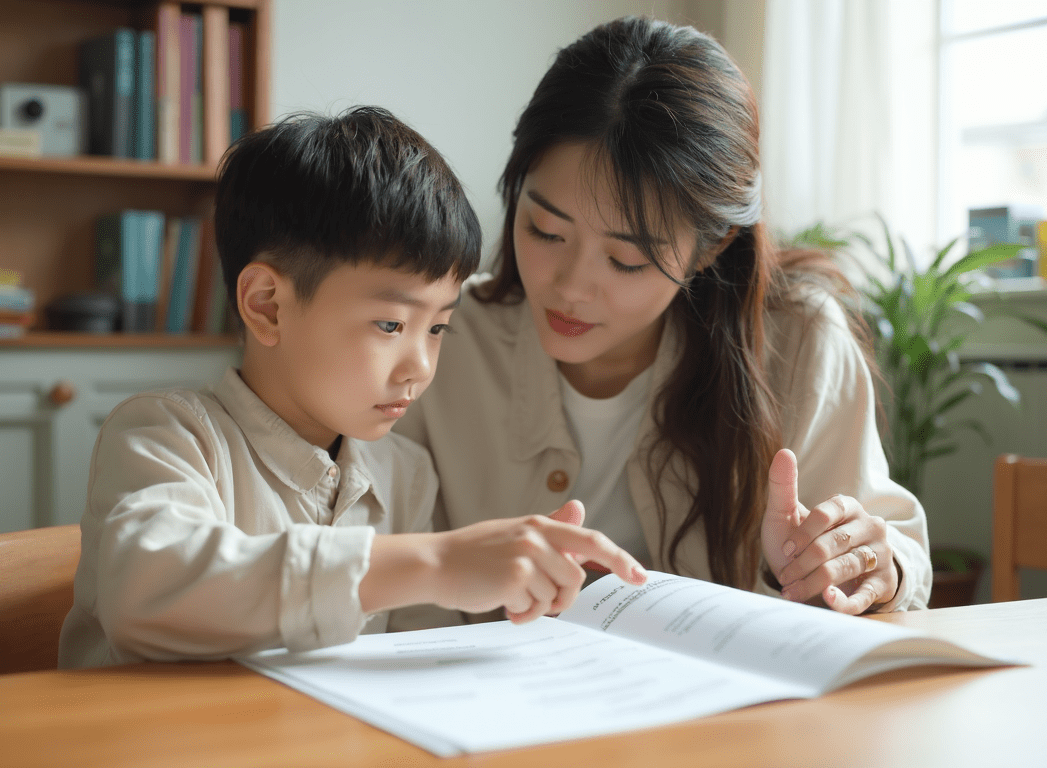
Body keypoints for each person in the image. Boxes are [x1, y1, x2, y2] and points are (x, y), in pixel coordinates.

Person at [58, 107, 647, 669]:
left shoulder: (406, 474)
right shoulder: (167, 435)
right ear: (267, 305)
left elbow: (417, 661)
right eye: (391, 324)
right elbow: (151, 589)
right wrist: (436, 561)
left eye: (438, 327)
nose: (419, 365)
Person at [394, 17, 932, 616]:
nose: (570, 287)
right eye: (544, 230)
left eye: (626, 260)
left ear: (712, 247)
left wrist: (866, 566)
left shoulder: (799, 340)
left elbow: (889, 549)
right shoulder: (438, 336)